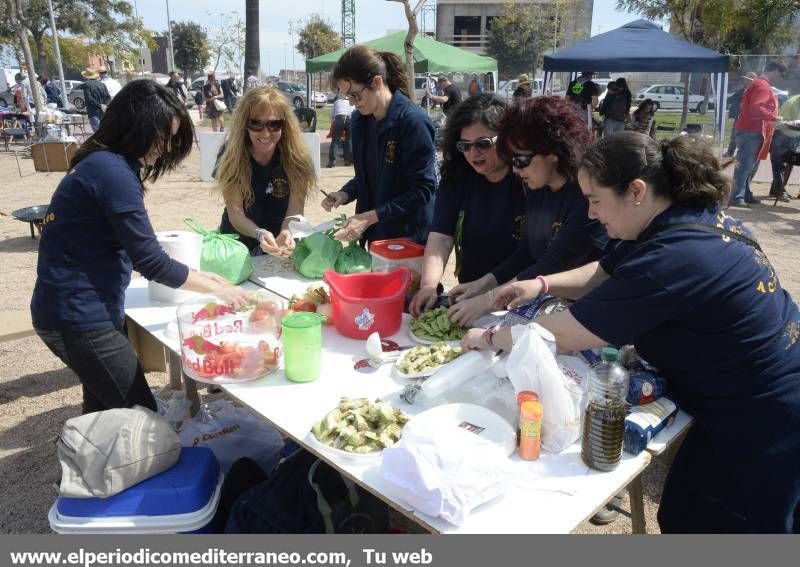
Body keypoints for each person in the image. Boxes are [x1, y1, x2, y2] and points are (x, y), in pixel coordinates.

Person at [465, 131, 800, 534]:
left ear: (636, 190)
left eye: (594, 200)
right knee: (681, 514)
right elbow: (603, 272)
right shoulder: (671, 219)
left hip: (765, 415)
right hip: (737, 398)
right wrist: (541, 285)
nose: (590, 214)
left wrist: (490, 336)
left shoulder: (674, 257)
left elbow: (566, 335)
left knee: (722, 527)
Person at [30, 80, 246, 415]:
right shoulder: (111, 171)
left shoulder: (104, 164)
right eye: (162, 136)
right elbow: (150, 261)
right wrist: (218, 287)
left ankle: (95, 465)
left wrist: (205, 279)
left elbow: (128, 244)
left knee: (105, 412)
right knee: (143, 417)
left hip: (77, 309)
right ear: (136, 126)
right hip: (79, 316)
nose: (164, 147)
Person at [446, 96, 608, 326]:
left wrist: (487, 300)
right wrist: (481, 285)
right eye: (512, 159)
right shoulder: (536, 188)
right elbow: (525, 254)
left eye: (521, 159)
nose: (514, 168)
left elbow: (554, 264)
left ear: (553, 151)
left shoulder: (587, 198)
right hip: (549, 311)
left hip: (586, 318)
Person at [409, 94, 526, 318]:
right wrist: (429, 285)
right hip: (469, 296)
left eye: (483, 144)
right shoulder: (457, 177)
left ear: (507, 138)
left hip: (520, 298)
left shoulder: (528, 178)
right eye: (465, 146)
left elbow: (530, 254)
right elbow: (441, 236)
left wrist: (489, 292)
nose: (473, 154)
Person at [320, 45, 437, 245]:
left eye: (355, 95)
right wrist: (345, 193)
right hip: (375, 236)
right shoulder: (359, 121)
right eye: (347, 96)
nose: (351, 103)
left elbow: (423, 189)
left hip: (409, 239)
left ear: (377, 82)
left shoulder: (412, 122)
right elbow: (369, 176)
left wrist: (369, 217)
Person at [216, 86, 316, 257]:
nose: (265, 133)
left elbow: (295, 210)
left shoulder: (297, 157)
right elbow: (235, 213)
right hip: (237, 246)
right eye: (256, 123)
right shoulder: (231, 154)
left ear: (285, 125)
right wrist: (259, 233)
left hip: (279, 246)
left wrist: (287, 231)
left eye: (274, 124)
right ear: (244, 124)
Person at [730, 60, 787, 207]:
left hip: (751, 130)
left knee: (750, 165)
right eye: (781, 75)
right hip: (750, 131)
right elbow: (756, 108)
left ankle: (745, 194)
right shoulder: (762, 85)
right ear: (774, 71)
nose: (780, 79)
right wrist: (774, 117)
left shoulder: (760, 84)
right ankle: (736, 196)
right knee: (745, 165)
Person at [769, 93, 800, 202]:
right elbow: (779, 124)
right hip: (782, 136)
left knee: (789, 165)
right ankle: (780, 191)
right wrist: (795, 125)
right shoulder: (791, 103)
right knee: (779, 165)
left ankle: (775, 190)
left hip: (795, 137)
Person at [725, 72, 757, 157]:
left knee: (738, 136)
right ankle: (731, 153)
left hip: (745, 118)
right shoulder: (744, 89)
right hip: (741, 117)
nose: (745, 81)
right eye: (745, 79)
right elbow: (733, 98)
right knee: (736, 135)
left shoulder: (751, 90)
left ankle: (735, 154)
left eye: (748, 80)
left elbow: (733, 99)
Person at [78, 67, 111, 132]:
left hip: (93, 111)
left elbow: (89, 98)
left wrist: (100, 105)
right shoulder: (102, 84)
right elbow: (108, 97)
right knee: (104, 130)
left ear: (87, 76)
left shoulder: (86, 85)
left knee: (97, 132)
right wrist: (105, 106)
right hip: (103, 111)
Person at [327, 92, 353, 168]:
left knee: (335, 140)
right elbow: (352, 113)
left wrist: (333, 124)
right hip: (348, 119)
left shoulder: (336, 102)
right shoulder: (349, 102)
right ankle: (347, 160)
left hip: (339, 119)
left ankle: (332, 161)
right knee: (349, 140)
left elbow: (332, 115)